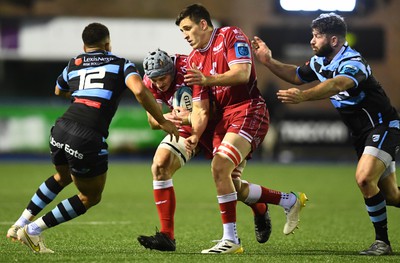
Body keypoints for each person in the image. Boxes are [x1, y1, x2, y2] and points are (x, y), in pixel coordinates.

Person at [5, 22, 179, 254]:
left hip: (61, 128)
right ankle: (33, 230)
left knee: (62, 176)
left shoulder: (74, 63)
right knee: (90, 196)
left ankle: (19, 224)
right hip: (87, 135)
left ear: (84, 45)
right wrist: (163, 120)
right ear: (108, 44)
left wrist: (80, 93)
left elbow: (58, 90)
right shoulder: (121, 64)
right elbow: (139, 91)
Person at [252, 13, 400, 256]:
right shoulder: (321, 62)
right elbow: (297, 75)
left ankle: (382, 242)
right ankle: (382, 239)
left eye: (317, 36)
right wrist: (268, 61)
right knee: (392, 195)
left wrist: (304, 96)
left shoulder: (353, 61)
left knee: (364, 179)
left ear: (333, 40)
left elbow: (337, 84)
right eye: (312, 35)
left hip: (383, 126)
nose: (312, 41)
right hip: (361, 134)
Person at [175, 4, 308, 254]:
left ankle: (231, 240)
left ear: (203, 24)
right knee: (232, 186)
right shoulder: (193, 59)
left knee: (219, 167)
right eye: (182, 31)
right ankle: (288, 200)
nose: (185, 35)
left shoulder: (230, 35)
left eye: (187, 28)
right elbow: (201, 109)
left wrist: (207, 79)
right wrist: (192, 131)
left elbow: (242, 73)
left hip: (248, 109)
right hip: (223, 120)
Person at [137, 49, 271, 251]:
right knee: (160, 164)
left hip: (218, 126)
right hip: (188, 129)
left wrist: (185, 117)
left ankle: (261, 206)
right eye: (154, 80)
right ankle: (167, 236)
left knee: (231, 184)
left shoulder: (190, 68)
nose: (159, 84)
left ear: (171, 69)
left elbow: (206, 111)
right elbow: (153, 121)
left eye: (162, 78)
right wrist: (170, 119)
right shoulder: (150, 81)